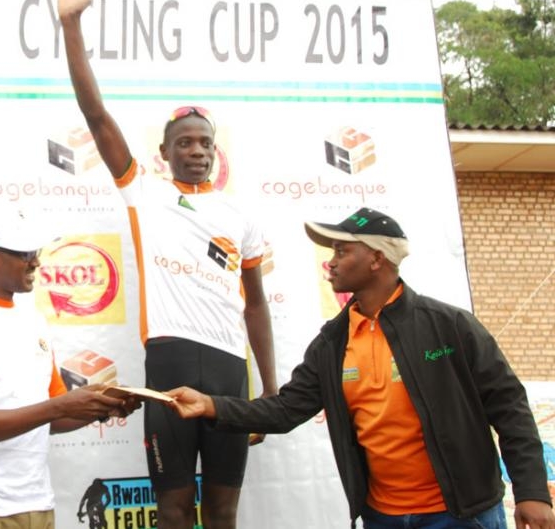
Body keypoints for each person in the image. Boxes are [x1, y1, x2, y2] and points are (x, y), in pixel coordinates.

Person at [167, 207, 555, 529]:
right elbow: (285, 409)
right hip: (381, 518)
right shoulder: (332, 343)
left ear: (377, 258)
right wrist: (211, 405)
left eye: (342, 251)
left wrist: (533, 493)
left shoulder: (448, 325)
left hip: (461, 516)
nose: (331, 262)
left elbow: (510, 408)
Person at [58, 0, 278, 529]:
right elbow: (96, 116)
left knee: (223, 511)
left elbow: (256, 308)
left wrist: (271, 393)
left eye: (205, 143)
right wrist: (71, 24)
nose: (196, 151)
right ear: (164, 152)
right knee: (173, 511)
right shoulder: (145, 193)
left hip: (230, 373)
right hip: (168, 363)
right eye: (185, 142)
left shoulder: (241, 217)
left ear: (215, 151)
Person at [0, 209, 137, 529]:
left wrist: (102, 407)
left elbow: (54, 418)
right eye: (24, 253)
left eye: (36, 252)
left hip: (37, 506)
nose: (35, 261)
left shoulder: (33, 320)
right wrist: (61, 405)